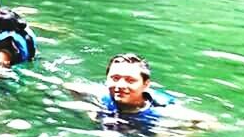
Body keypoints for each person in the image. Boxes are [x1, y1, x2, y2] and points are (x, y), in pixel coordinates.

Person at [64, 53, 217, 126]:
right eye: (115, 78)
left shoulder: (162, 109)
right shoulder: (103, 94)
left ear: (146, 84)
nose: (120, 85)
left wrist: (187, 134)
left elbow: (210, 121)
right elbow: (69, 86)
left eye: (130, 80)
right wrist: (90, 110)